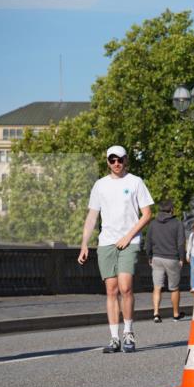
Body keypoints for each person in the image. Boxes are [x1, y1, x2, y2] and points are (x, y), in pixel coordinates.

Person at [78, 145, 154, 354]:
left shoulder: (135, 182)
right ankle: (114, 338)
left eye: (120, 159)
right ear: (107, 162)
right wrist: (84, 244)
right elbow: (92, 216)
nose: (116, 163)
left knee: (125, 287)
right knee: (111, 290)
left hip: (129, 242)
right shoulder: (100, 185)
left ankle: (128, 332)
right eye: (112, 160)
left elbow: (147, 214)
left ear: (126, 160)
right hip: (106, 242)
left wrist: (128, 236)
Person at [145, 199, 186, 323]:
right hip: (172, 258)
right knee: (174, 288)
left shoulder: (153, 223)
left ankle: (156, 313)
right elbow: (181, 243)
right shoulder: (177, 223)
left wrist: (149, 256)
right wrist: (182, 258)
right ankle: (176, 314)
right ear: (171, 210)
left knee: (157, 287)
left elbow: (148, 242)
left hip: (157, 258)